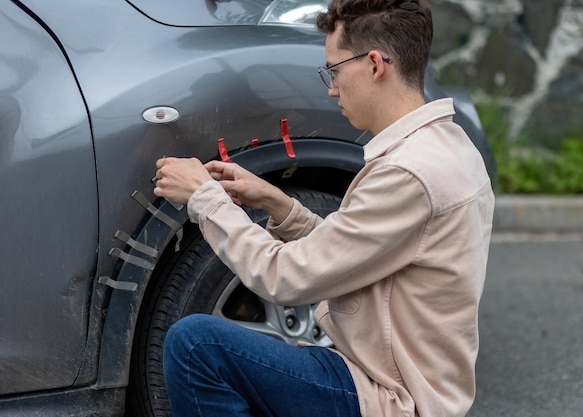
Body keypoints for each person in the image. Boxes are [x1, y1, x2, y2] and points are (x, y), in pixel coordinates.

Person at [153, 0, 495, 415]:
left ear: (373, 64)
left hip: (392, 399)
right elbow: (352, 253)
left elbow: (285, 277)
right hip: (398, 381)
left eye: (333, 71)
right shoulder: (448, 147)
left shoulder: (409, 174)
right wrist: (278, 204)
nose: (331, 88)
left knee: (197, 345)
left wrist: (203, 196)